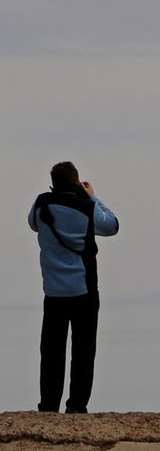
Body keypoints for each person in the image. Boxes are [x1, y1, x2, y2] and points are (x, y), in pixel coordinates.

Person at [28, 161, 119, 413]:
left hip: (53, 292)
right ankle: (77, 405)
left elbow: (32, 224)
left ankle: (48, 404)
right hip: (84, 290)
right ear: (77, 183)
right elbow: (112, 225)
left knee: (51, 351)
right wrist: (93, 196)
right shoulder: (86, 207)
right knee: (83, 349)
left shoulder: (41, 204)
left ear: (53, 183)